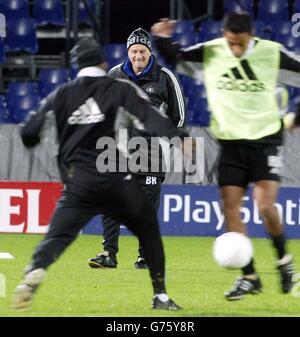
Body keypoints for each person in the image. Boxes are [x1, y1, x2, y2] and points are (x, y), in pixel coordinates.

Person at [12, 37, 189, 311]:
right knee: (148, 228)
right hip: (113, 177)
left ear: (76, 65)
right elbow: (149, 115)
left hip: (77, 183)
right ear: (102, 62)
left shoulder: (62, 94)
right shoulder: (118, 87)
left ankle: (35, 269)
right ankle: (161, 296)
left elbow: (28, 133)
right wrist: (178, 136)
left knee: (56, 236)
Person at [151, 12, 300, 300]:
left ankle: (284, 263)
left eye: (241, 45)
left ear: (251, 35)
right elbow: (178, 58)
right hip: (231, 143)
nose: (236, 50)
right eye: (231, 43)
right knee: (229, 208)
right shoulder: (212, 52)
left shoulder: (272, 54)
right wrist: (161, 39)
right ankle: (249, 276)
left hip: (265, 140)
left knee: (265, 205)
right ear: (224, 34)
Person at [88, 28, 186, 270]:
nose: (138, 55)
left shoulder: (165, 77)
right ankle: (108, 254)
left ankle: (145, 256)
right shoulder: (113, 75)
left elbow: (178, 116)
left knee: (146, 205)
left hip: (150, 149)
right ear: (128, 52)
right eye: (134, 51)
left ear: (149, 51)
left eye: (142, 50)